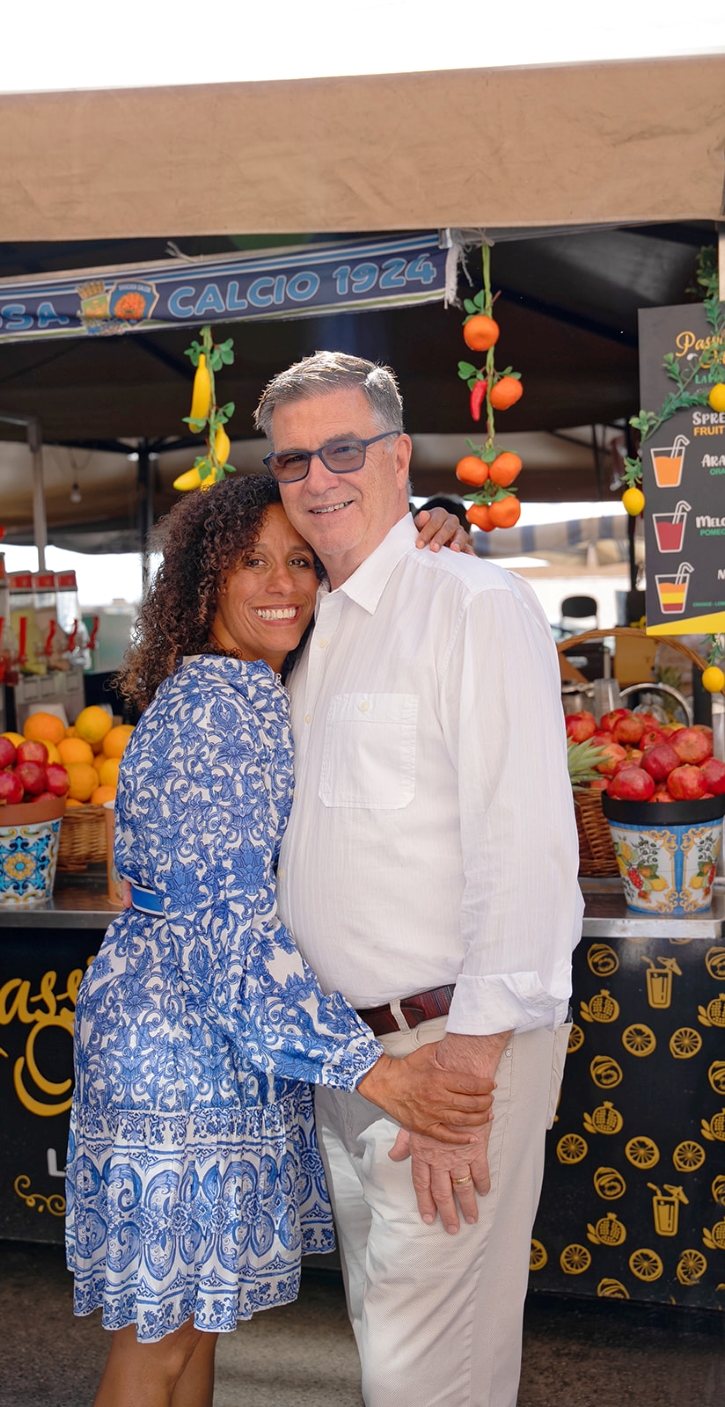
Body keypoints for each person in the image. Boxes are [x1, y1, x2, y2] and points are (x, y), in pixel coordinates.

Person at [65, 477, 491, 1407]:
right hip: (180, 1052)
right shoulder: (223, 705)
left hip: (198, 1039)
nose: (283, 583)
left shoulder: (246, 684)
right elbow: (227, 926)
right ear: (202, 577)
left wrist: (424, 537)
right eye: (251, 559)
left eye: (301, 560)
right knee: (161, 1339)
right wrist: (371, 1071)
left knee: (194, 1328)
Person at [256, 351, 582, 1407]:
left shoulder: (469, 607)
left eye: (342, 449)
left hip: (444, 1052)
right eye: (293, 459)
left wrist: (467, 1069)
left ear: (397, 457)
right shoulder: (305, 633)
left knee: (419, 1374)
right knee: (395, 1347)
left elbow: (526, 849)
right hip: (353, 1061)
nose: (318, 478)